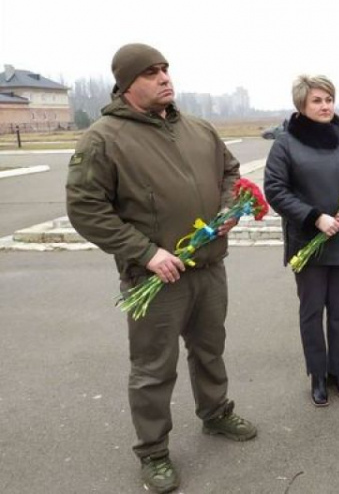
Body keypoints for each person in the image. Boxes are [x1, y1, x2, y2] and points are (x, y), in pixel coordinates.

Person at [66, 43, 255, 494]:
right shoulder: (104, 138)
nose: (165, 78)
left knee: (210, 348)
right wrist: (145, 252)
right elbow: (85, 207)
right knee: (153, 368)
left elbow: (230, 171)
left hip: (208, 267)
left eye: (166, 69)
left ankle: (216, 413)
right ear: (127, 85)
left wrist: (230, 206)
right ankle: (153, 451)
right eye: (151, 72)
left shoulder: (198, 129)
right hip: (155, 278)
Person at [264, 75, 339, 406]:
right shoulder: (285, 143)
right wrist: (314, 216)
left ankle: (337, 372)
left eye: (329, 99)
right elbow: (275, 189)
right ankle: (317, 375)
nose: (325, 106)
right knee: (312, 311)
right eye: (317, 100)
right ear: (302, 104)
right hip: (309, 245)